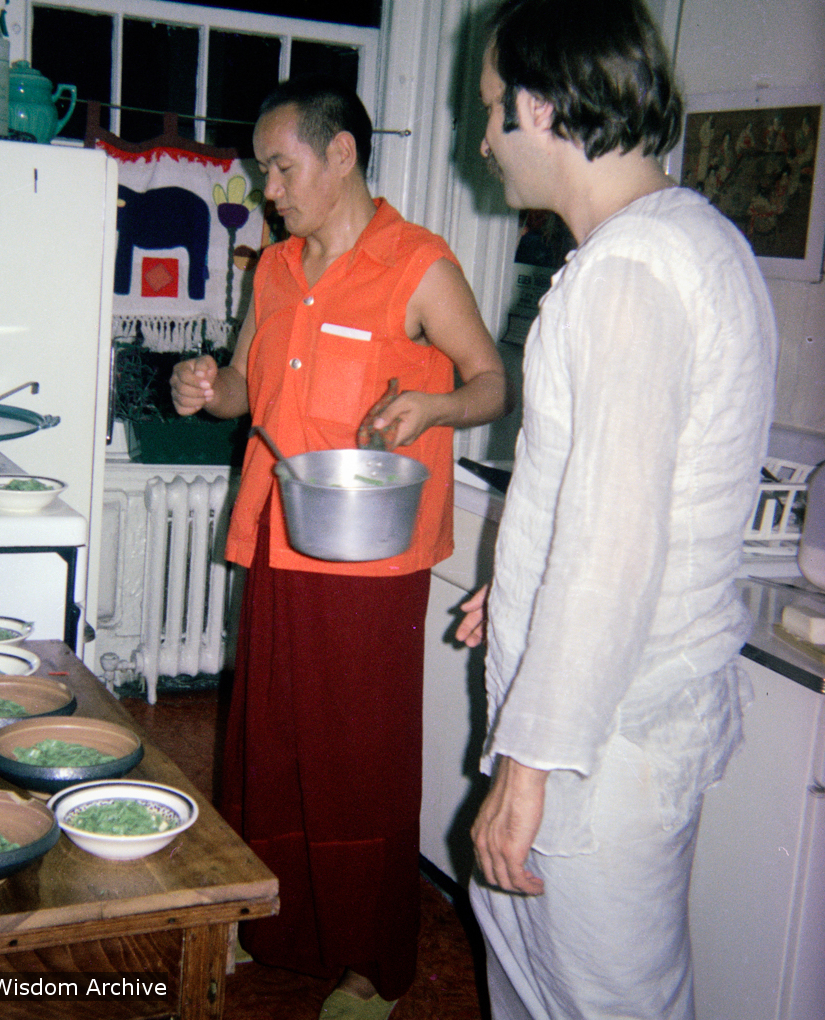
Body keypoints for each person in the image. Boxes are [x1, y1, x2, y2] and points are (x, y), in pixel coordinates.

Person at [456, 2, 778, 1018]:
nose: (483, 141)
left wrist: (531, 763)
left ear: (544, 110)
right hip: (625, 717)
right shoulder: (689, 237)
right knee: (533, 960)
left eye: (492, 111)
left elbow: (614, 546)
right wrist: (510, 589)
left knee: (600, 1001)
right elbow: (616, 496)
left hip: (599, 739)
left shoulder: (627, 272)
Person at [171, 76, 510, 1018]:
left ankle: (373, 962)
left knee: (356, 760)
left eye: (279, 167)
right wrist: (209, 386)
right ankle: (266, 917)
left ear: (341, 154)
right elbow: (247, 388)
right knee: (267, 743)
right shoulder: (271, 271)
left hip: (371, 561)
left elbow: (490, 382)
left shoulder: (417, 264)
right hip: (279, 536)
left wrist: (437, 403)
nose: (266, 187)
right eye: (263, 169)